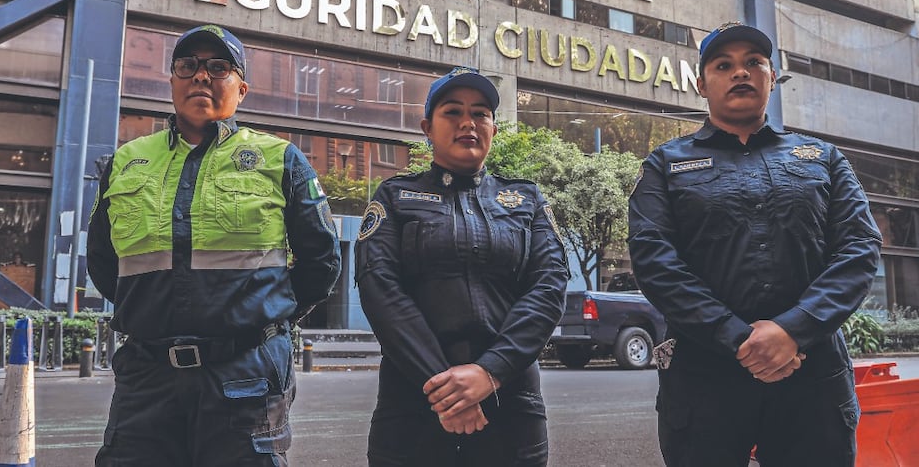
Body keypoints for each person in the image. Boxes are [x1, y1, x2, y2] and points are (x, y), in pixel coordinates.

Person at [627, 21, 882, 467]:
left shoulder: (823, 158)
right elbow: (655, 261)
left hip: (812, 374)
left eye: (754, 63)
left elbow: (859, 248)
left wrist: (794, 329)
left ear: (771, 77)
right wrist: (738, 338)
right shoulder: (665, 165)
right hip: (705, 378)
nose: (740, 73)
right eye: (724, 65)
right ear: (702, 84)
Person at [87, 24, 341, 466]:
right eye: (188, 66)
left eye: (218, 67)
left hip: (246, 373)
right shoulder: (126, 161)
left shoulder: (280, 159)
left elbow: (321, 261)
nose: (201, 76)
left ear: (241, 89)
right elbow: (104, 263)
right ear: (172, 81)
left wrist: (263, 314)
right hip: (147, 378)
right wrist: (155, 308)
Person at [355, 67, 569, 466]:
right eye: (452, 112)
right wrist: (446, 388)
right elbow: (380, 290)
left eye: (481, 113)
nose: (468, 123)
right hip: (413, 401)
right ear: (427, 127)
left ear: (493, 128)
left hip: (511, 403)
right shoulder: (396, 196)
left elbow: (549, 286)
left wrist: (489, 372)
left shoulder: (526, 198)